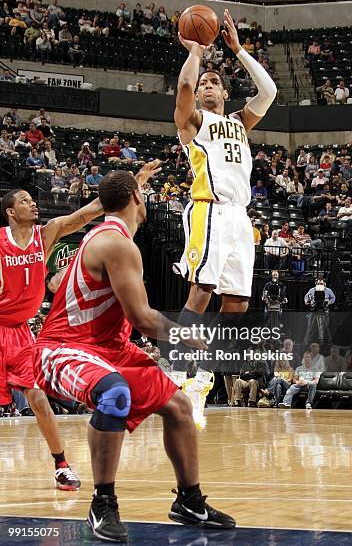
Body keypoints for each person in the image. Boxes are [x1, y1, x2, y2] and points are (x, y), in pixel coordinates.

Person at [33, 168, 235, 541]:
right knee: (115, 394)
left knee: (178, 406)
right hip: (65, 347)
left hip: (109, 346)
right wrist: (184, 332)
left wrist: (129, 182)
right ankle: (102, 502)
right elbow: (142, 319)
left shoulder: (105, 234)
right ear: (137, 199)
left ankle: (189, 500)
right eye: (143, 191)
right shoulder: (116, 243)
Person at [172, 9, 276, 392]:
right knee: (201, 290)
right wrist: (196, 54)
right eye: (205, 84)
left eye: (216, 82)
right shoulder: (194, 122)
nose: (208, 86)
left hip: (239, 216)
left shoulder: (237, 122)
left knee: (236, 303)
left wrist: (238, 50)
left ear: (226, 92)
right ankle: (179, 371)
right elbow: (182, 91)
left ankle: (203, 359)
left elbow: (269, 92)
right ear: (199, 93)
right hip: (209, 208)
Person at [0, 188, 107, 490]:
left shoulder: (45, 235)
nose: (33, 203)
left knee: (38, 398)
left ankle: (61, 466)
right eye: (24, 201)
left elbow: (85, 214)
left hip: (20, 332)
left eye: (33, 199)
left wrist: (124, 188)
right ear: (10, 212)